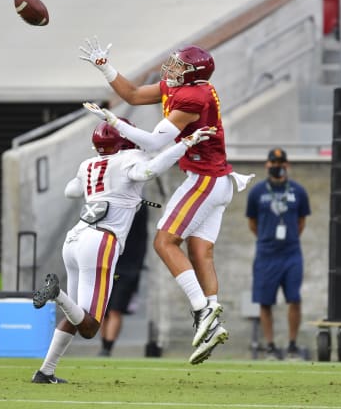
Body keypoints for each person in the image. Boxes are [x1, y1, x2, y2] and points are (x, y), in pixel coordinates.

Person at [79, 37, 254, 365]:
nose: (171, 69)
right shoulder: (184, 88)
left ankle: (203, 312)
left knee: (163, 242)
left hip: (204, 180)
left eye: (179, 67)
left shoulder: (192, 97)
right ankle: (212, 321)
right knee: (200, 252)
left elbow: (153, 142)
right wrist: (106, 69)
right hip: (217, 180)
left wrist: (114, 122)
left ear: (194, 75)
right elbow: (131, 94)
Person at [31, 119, 215, 384]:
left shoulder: (88, 165)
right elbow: (148, 172)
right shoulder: (129, 158)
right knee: (91, 326)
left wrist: (111, 191)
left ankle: (45, 372)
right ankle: (56, 294)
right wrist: (184, 144)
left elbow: (71, 191)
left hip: (74, 240)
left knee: (76, 315)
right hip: (100, 242)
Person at [245, 148, 311, 361]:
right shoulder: (257, 192)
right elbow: (252, 223)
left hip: (291, 252)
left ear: (287, 165)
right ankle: (271, 347)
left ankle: (292, 345)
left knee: (294, 298)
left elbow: (301, 222)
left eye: (281, 162)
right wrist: (267, 238)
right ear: (267, 164)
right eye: (274, 162)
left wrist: (288, 237)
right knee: (265, 301)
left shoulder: (298, 191)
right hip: (266, 253)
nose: (277, 166)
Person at [98, 203, 148, 357]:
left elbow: (142, 237)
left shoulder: (139, 206)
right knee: (103, 311)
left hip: (128, 269)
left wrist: (137, 266)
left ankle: (107, 349)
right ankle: (104, 347)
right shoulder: (107, 203)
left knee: (115, 309)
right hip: (107, 265)